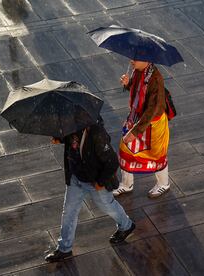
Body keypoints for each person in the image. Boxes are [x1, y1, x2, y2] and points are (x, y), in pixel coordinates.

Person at [44, 118, 135, 262]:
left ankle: (126, 225)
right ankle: (64, 248)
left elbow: (112, 162)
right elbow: (73, 142)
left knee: (107, 206)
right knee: (69, 211)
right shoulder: (71, 127)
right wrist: (60, 139)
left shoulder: (96, 133)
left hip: (95, 181)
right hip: (75, 177)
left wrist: (101, 182)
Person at [113, 60, 170, 198]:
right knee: (125, 150)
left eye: (136, 58)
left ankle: (163, 184)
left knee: (157, 155)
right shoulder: (139, 71)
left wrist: (135, 132)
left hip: (152, 124)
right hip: (137, 118)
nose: (131, 60)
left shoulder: (155, 79)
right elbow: (137, 91)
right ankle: (127, 184)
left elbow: (151, 110)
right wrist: (128, 84)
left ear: (146, 59)